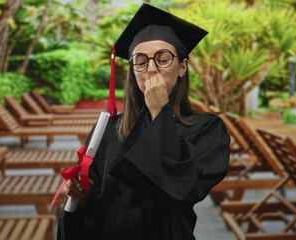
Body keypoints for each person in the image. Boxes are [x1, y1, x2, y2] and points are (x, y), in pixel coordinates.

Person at [57, 4, 230, 240]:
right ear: (132, 71)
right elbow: (92, 202)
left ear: (182, 67)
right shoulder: (108, 130)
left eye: (163, 58)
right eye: (140, 60)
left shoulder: (206, 129)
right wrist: (80, 196)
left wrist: (160, 109)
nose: (151, 68)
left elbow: (178, 192)